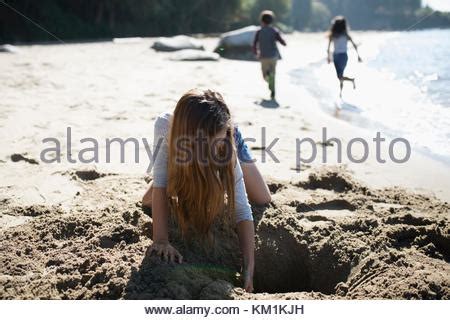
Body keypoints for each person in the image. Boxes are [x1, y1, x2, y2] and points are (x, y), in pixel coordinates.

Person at [142, 89, 271, 293]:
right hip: (181, 150)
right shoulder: (165, 126)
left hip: (228, 133)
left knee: (263, 197)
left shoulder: (226, 141)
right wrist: (161, 240)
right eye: (208, 146)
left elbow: (243, 210)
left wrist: (249, 265)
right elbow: (160, 184)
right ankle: (177, 172)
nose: (213, 152)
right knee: (149, 199)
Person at [253, 10, 287, 100]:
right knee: (273, 74)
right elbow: (281, 41)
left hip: (263, 56)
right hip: (273, 56)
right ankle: (272, 89)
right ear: (271, 21)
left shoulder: (259, 31)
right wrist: (284, 42)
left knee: (264, 76)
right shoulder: (274, 31)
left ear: (261, 21)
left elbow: (254, 43)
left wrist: (256, 52)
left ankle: (269, 80)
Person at [327, 16, 362, 98]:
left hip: (341, 56)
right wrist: (328, 57)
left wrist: (358, 56)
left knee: (340, 76)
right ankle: (343, 90)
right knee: (340, 76)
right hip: (337, 56)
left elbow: (354, 45)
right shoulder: (334, 35)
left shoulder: (343, 35)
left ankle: (341, 92)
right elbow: (328, 48)